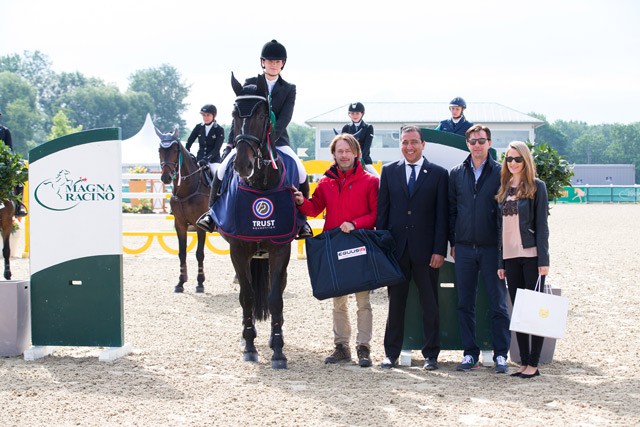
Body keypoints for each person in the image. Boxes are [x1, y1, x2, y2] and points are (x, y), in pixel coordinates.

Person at [197, 39, 312, 238]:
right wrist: (232, 142)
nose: (273, 64)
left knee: (300, 170)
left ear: (283, 63)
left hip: (278, 140)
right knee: (223, 168)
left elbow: (285, 117)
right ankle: (211, 213)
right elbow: (239, 116)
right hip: (247, 139)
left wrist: (269, 138)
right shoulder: (250, 83)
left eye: (277, 61)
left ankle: (302, 222)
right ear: (263, 62)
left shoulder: (289, 88)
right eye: (269, 61)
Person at [294, 133, 379, 367]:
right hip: (334, 249)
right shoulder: (325, 182)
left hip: (361, 246)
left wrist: (355, 224)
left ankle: (364, 348)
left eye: (348, 151)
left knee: (363, 302)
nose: (344, 155)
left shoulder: (371, 182)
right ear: (333, 154)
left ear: (356, 153)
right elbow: (314, 208)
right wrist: (302, 201)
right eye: (339, 151)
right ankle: (342, 347)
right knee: (338, 302)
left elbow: (376, 214)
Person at [376, 125, 449, 370]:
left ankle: (431, 354)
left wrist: (440, 249)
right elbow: (383, 214)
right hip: (396, 252)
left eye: (414, 142)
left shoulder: (438, 174)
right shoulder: (388, 172)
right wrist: (383, 249)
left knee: (430, 304)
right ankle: (390, 353)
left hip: (427, 253)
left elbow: (442, 216)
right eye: (405, 142)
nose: (409, 147)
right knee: (396, 304)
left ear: (423, 144)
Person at [448, 124, 510, 373]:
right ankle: (469, 353)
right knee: (465, 303)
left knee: (498, 303)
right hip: (463, 249)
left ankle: (501, 354)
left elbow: (504, 215)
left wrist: (501, 251)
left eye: (481, 141)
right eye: (472, 141)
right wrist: (453, 242)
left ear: (490, 143)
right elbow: (452, 210)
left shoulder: (501, 173)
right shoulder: (456, 173)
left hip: (491, 249)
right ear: (467, 144)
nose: (477, 145)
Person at [496, 141, 550, 379]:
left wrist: (544, 259)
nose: (513, 163)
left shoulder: (537, 187)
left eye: (517, 159)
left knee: (534, 311)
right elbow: (500, 231)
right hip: (510, 257)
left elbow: (542, 227)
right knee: (519, 311)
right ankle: (523, 362)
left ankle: (533, 364)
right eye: (509, 159)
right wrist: (500, 261)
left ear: (525, 160)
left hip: (530, 256)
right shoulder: (504, 188)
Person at [185, 104, 225, 177]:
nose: (205, 117)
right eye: (204, 115)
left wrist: (206, 159)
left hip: (213, 161)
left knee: (218, 175)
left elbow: (217, 149)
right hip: (199, 159)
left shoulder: (219, 129)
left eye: (208, 115)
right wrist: (187, 154)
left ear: (214, 116)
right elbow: (189, 142)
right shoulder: (198, 127)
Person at [0, 111, 27, 217]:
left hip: (2, 163)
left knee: (19, 179)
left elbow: (10, 148)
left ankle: (18, 206)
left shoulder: (5, 131)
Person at [341, 102, 377, 176]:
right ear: (349, 114)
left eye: (357, 113)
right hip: (348, 160)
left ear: (362, 113)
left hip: (364, 160)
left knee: (378, 179)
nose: (355, 116)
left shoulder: (368, 127)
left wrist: (359, 159)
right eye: (352, 113)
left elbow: (367, 146)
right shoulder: (346, 128)